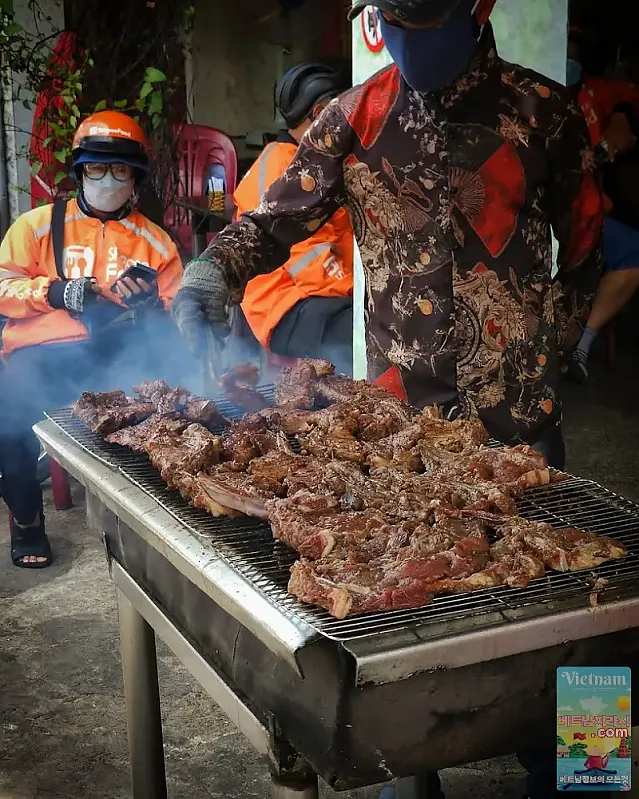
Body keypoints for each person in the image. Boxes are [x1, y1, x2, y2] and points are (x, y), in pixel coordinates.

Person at [172, 2, 603, 795]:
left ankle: (584, 775)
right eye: (395, 18)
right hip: (403, 428)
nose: (409, 36)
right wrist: (213, 271)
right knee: (402, 623)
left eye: (427, 16)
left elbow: (582, 245)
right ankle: (413, 769)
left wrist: (554, 340)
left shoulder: (542, 111)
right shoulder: (353, 117)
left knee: (576, 621)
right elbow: (274, 221)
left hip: (518, 421)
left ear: (474, 11)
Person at [0, 110, 183, 568]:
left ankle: (153, 525)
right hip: (41, 351)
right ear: (80, 171)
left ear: (135, 177)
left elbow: (180, 322)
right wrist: (55, 291)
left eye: (119, 169)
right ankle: (26, 523)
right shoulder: (36, 226)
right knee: (9, 413)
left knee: (169, 406)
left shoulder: (156, 243)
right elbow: (3, 287)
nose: (107, 179)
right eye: (97, 168)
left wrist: (149, 308)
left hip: (118, 355)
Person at [236, 62, 354, 375]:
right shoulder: (282, 166)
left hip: (325, 295)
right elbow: (308, 264)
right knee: (365, 341)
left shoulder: (322, 162)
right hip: (288, 303)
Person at [566, 27, 639, 382]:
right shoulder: (524, 94)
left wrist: (623, 114)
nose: (569, 56)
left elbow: (629, 96)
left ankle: (583, 343)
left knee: (634, 253)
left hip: (590, 214)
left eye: (574, 49)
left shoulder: (593, 93)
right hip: (545, 215)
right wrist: (601, 151)